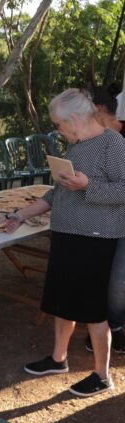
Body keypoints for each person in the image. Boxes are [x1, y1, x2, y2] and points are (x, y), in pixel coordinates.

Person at [6, 88, 125, 396]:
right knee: (62, 301)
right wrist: (21, 214)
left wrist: (88, 185)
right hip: (66, 236)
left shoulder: (112, 142)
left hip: (96, 240)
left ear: (73, 119)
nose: (57, 129)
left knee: (93, 309)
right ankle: (59, 358)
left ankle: (101, 375)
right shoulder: (75, 146)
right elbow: (56, 193)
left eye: (58, 124)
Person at [84, 86, 125, 353]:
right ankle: (115, 328)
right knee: (114, 278)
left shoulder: (117, 140)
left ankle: (115, 328)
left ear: (99, 110)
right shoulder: (97, 140)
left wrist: (87, 186)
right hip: (108, 220)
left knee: (119, 280)